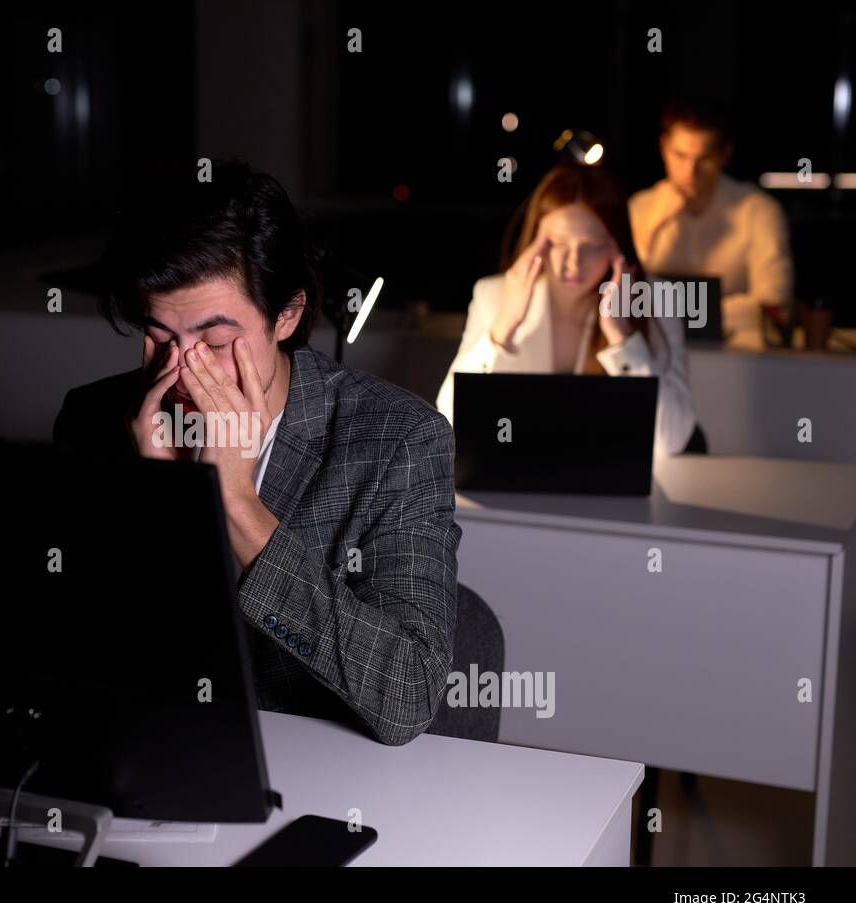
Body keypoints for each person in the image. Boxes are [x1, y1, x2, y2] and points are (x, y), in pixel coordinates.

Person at [53, 160, 461, 746]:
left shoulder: (398, 440)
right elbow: (75, 663)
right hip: (149, 763)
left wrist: (236, 507)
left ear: (287, 316)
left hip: (328, 780)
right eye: (161, 337)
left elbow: (407, 697)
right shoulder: (92, 420)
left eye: (215, 341)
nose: (182, 370)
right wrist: (161, 509)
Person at [436, 162, 698, 458]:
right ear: (535, 240)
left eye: (592, 245)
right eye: (557, 244)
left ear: (617, 246)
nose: (573, 263)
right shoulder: (494, 296)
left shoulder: (655, 300)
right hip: (523, 478)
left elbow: (671, 440)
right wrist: (503, 330)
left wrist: (622, 338)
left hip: (611, 485)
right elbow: (448, 422)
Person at [629, 97, 794, 341]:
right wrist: (651, 227)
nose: (690, 172)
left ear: (724, 155)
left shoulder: (758, 211)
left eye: (703, 159)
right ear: (663, 147)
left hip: (736, 361)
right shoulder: (639, 208)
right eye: (680, 155)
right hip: (657, 354)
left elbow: (774, 303)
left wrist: (671, 312)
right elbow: (619, 299)